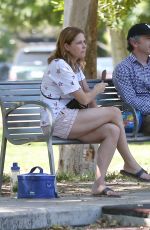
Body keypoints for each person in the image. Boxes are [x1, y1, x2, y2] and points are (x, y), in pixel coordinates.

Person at [40, 26, 150, 197]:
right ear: (66, 46)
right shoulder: (59, 65)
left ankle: (99, 184)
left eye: (85, 42)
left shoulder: (75, 67)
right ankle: (130, 164)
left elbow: (89, 101)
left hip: (71, 120)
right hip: (55, 120)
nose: (84, 46)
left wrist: (99, 115)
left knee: (111, 130)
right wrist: (98, 90)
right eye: (79, 43)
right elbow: (84, 98)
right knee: (114, 111)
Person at [113, 23, 150, 115]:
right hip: (139, 117)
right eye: (148, 39)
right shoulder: (123, 68)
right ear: (134, 43)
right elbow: (131, 100)